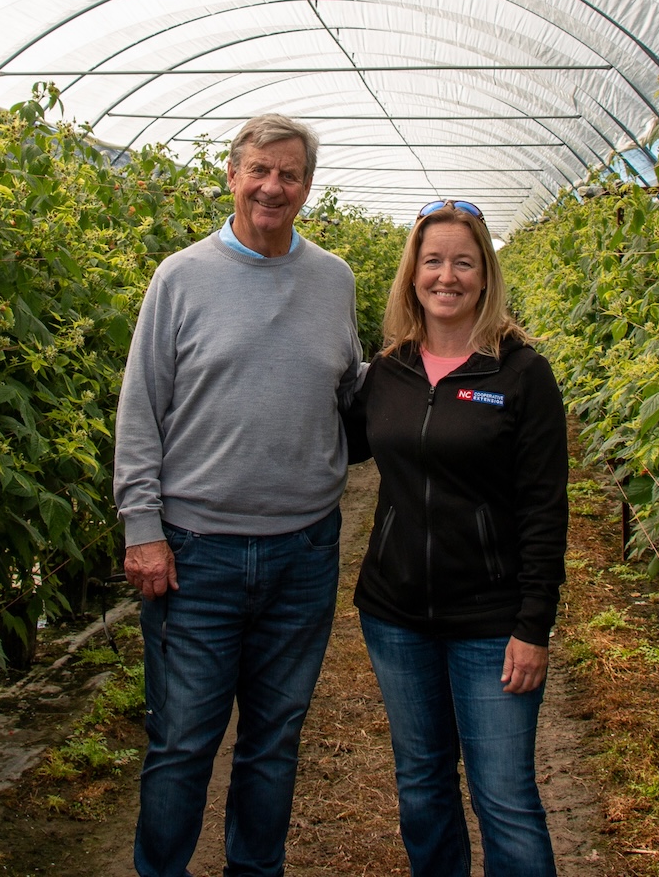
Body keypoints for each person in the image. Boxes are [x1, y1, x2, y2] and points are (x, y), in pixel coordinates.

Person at [113, 113, 363, 877]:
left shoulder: (336, 278)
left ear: (307, 188)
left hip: (305, 549)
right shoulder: (181, 277)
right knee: (184, 740)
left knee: (274, 738)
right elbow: (140, 409)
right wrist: (142, 528)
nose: (272, 187)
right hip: (196, 554)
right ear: (231, 175)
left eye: (289, 174)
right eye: (259, 169)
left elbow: (352, 393)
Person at [348, 199, 569, 877]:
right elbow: (334, 445)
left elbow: (544, 508)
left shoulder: (521, 373)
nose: (447, 276)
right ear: (412, 273)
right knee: (421, 785)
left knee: (504, 797)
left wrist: (534, 626)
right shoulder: (388, 371)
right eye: (433, 260)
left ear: (485, 274)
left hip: (491, 623)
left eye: (463, 262)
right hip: (396, 616)